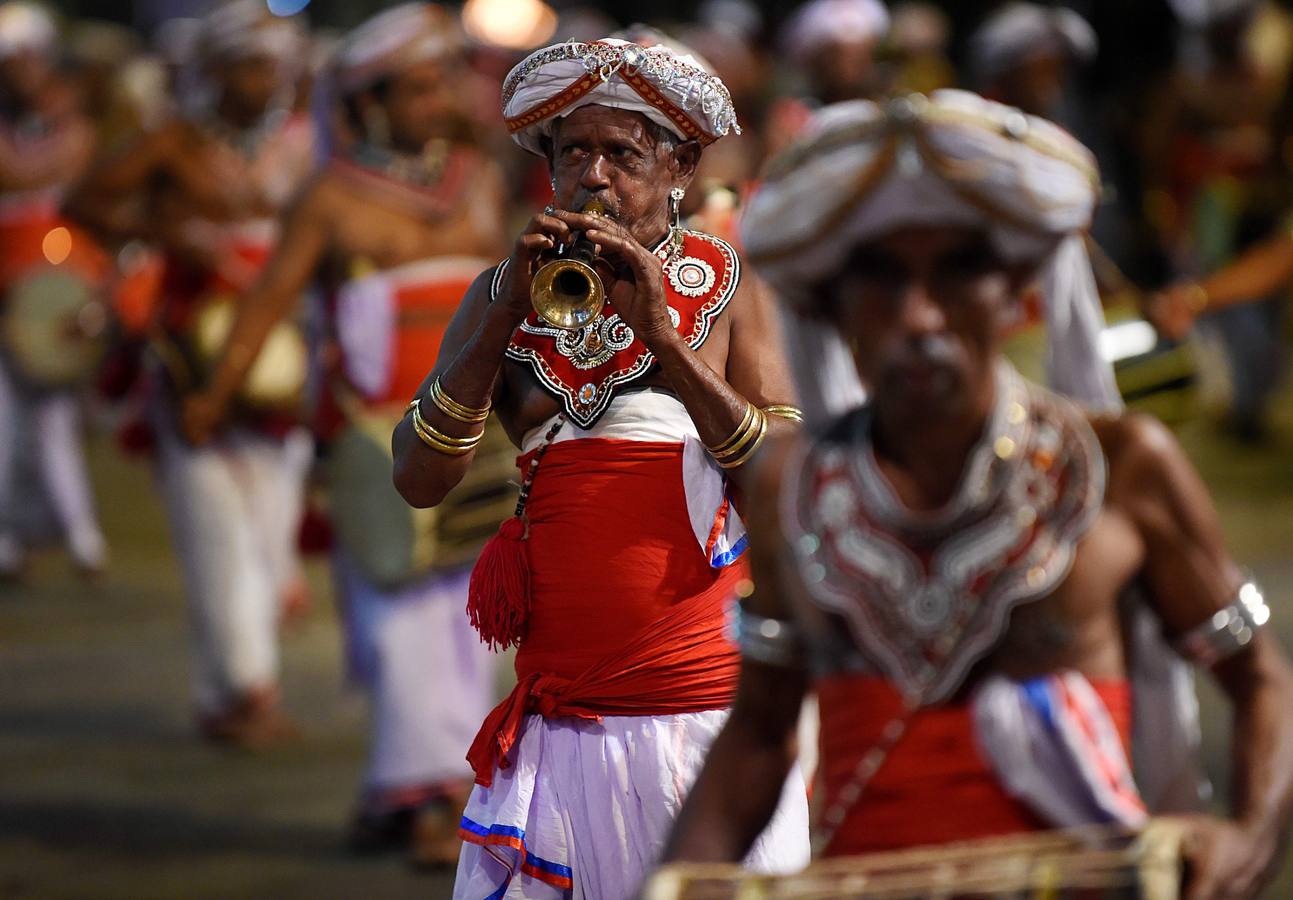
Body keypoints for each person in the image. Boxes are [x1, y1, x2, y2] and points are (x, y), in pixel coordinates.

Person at [661, 91, 1293, 900]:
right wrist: (672, 879)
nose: (919, 315)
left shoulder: (1121, 465)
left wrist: (1249, 835)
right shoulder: (797, 485)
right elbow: (758, 731)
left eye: (958, 271)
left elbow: (1256, 676)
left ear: (1017, 293)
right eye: (881, 279)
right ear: (831, 302)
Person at [391, 36, 810, 899]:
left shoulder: (733, 285)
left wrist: (669, 344)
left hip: (700, 702)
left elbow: (786, 481)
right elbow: (418, 480)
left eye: (621, 153)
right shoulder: (500, 291)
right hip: (562, 710)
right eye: (572, 151)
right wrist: (501, 314)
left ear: (680, 163)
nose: (593, 177)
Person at [181, 2, 509, 864]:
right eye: (417, 86)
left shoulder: (479, 177)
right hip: (379, 450)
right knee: (397, 622)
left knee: (468, 620)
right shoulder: (328, 196)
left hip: (481, 442)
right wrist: (217, 390)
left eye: (445, 82)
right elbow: (268, 301)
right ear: (366, 102)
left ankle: (418, 794)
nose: (437, 99)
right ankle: (428, 797)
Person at [70, 1, 315, 746]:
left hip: (285, 348)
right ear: (211, 71)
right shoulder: (171, 142)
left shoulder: (303, 144)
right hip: (192, 347)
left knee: (271, 519)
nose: (263, 79)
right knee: (214, 524)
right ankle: (245, 692)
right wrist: (171, 232)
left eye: (272, 65)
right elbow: (84, 202)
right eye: (247, 65)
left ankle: (226, 688)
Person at [0, 1, 108, 579]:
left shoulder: (77, 125)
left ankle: (83, 536)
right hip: (6, 299)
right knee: (3, 428)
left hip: (59, 296)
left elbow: (70, 168)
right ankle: (9, 542)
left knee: (57, 426)